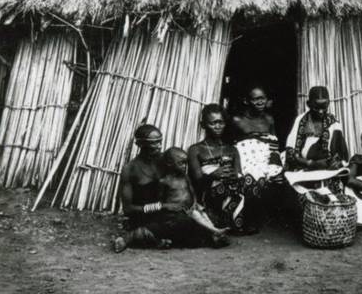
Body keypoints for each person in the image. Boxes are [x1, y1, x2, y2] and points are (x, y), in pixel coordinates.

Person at [114, 124, 220, 252]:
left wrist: (193, 205)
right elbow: (128, 209)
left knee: (205, 218)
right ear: (139, 144)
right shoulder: (130, 169)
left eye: (160, 142)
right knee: (182, 224)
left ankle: (155, 239)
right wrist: (162, 206)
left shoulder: (168, 160)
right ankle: (140, 237)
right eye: (153, 143)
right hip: (148, 217)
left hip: (172, 215)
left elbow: (183, 186)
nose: (159, 146)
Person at [188, 104, 268, 234]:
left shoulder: (231, 149)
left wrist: (234, 176)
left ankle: (237, 220)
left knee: (252, 181)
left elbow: (238, 174)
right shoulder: (196, 149)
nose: (218, 126)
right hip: (208, 194)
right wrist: (214, 175)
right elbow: (196, 181)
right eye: (213, 123)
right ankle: (232, 221)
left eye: (221, 122)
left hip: (232, 190)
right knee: (228, 187)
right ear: (203, 125)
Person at [159, 147, 229, 245]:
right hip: (177, 212)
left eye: (185, 163)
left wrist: (195, 203)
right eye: (181, 163)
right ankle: (215, 231)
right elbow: (159, 201)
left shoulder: (185, 177)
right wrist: (170, 208)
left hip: (190, 207)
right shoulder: (164, 181)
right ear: (170, 163)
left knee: (203, 213)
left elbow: (191, 191)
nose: (184, 166)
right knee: (195, 217)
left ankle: (214, 231)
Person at [285, 86, 349, 171]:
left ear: (328, 103)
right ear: (308, 104)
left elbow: (341, 155)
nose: (320, 111)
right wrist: (310, 163)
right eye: (316, 107)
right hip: (302, 165)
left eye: (324, 107)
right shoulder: (301, 120)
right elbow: (291, 150)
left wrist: (335, 162)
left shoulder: (334, 123)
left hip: (326, 167)